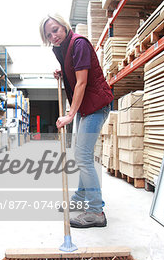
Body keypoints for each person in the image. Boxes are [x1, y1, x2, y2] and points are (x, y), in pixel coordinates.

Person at [39, 14, 114, 228]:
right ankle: (81, 198)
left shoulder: (79, 43)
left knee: (82, 156)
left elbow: (82, 83)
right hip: (85, 106)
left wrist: (70, 115)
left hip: (95, 105)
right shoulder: (62, 48)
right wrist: (62, 71)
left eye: (55, 30)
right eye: (48, 34)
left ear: (64, 25)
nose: (53, 35)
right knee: (82, 156)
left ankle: (95, 211)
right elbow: (75, 70)